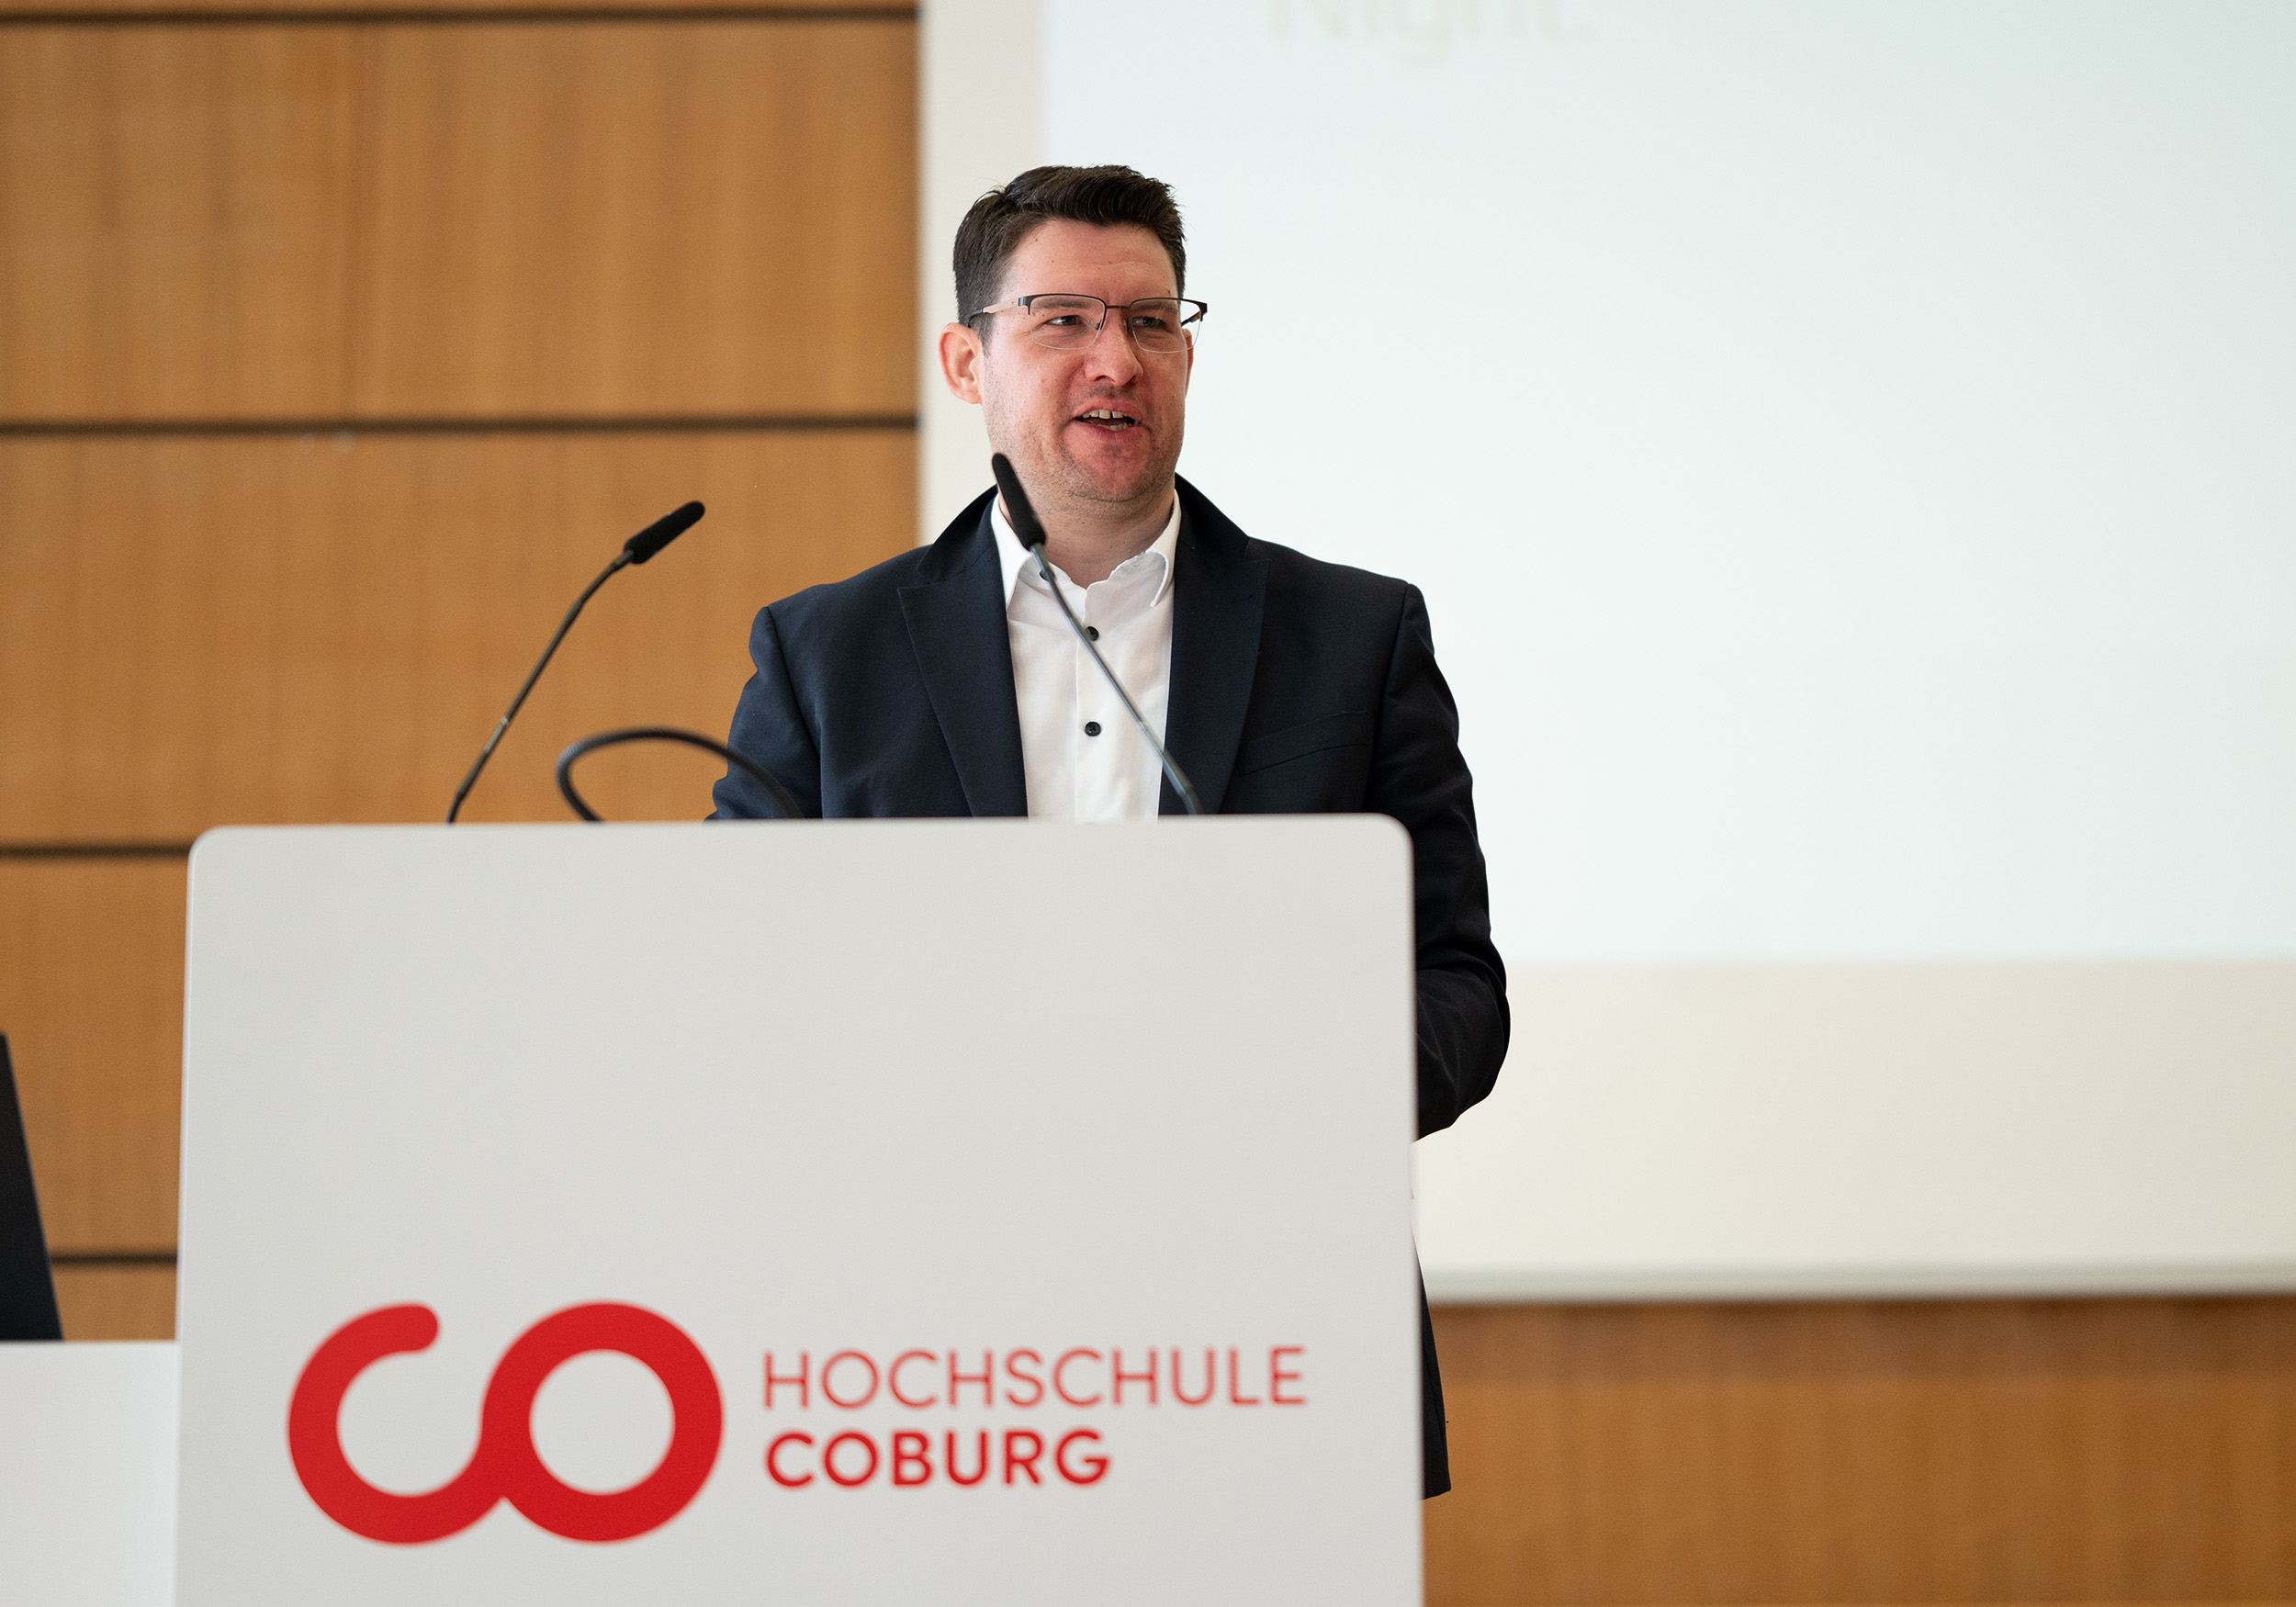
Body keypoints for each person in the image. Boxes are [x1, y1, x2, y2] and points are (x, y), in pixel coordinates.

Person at [712, 164, 1507, 1497]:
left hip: (1267, 1334)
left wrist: (1284, 1084)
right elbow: (735, 984)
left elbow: (1458, 993)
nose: (1115, 361)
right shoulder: (827, 651)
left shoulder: (1355, 639)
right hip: (921, 1347)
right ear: (970, 360)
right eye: (1063, 321)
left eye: (1150, 321)